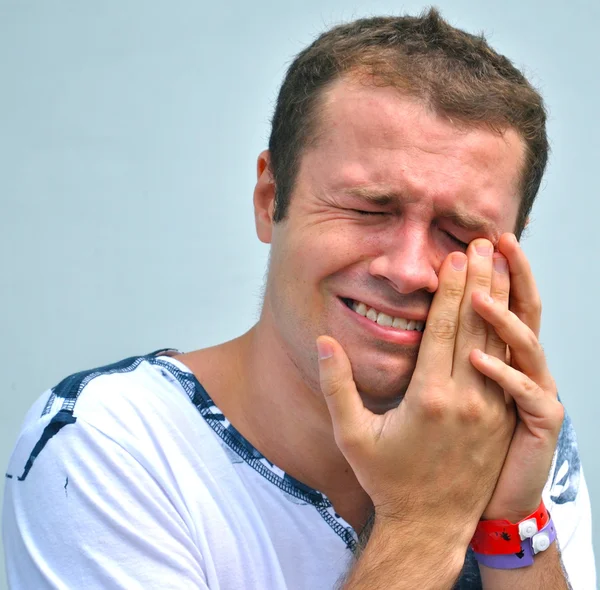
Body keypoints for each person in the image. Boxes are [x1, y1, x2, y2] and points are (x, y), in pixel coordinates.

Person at [3, 9, 595, 589]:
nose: (410, 270)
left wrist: (512, 522)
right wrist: (426, 520)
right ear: (269, 197)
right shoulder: (107, 442)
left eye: (461, 234)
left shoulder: (494, 422)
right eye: (368, 208)